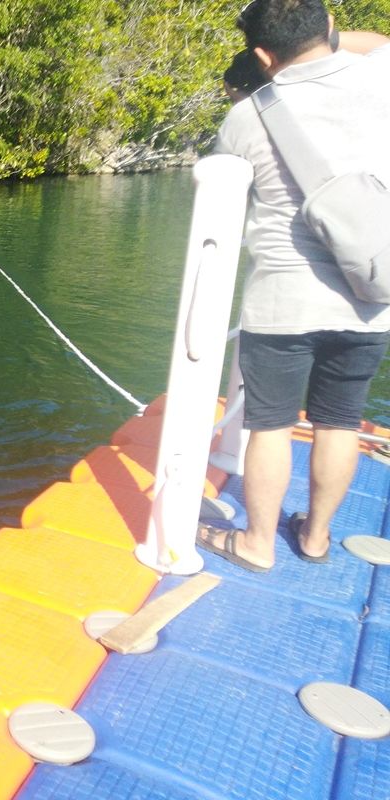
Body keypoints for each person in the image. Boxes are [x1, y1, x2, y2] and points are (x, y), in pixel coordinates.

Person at [196, 0, 390, 572]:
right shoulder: (380, 80)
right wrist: (330, 36)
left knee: (270, 425)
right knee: (339, 420)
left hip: (283, 301)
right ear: (329, 28)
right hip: (369, 296)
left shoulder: (247, 117)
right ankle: (316, 538)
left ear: (261, 55)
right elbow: (379, 40)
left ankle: (256, 543)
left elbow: (218, 192)